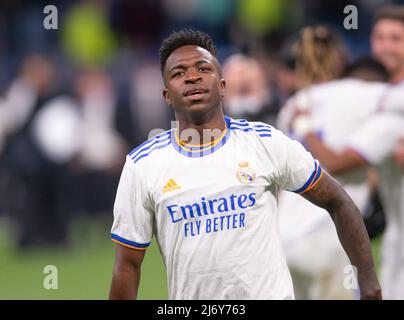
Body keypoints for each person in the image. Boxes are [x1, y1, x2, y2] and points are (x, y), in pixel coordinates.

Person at [108, 29, 381, 300]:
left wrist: (368, 281)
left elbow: (338, 201)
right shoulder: (143, 165)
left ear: (222, 85)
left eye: (203, 68)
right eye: (178, 73)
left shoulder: (266, 142)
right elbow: (127, 266)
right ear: (167, 95)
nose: (192, 77)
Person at [289, 6, 404, 299]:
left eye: (396, 38)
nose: (386, 46)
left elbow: (333, 164)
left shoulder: (391, 105)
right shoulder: (378, 101)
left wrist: (306, 125)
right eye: (380, 37)